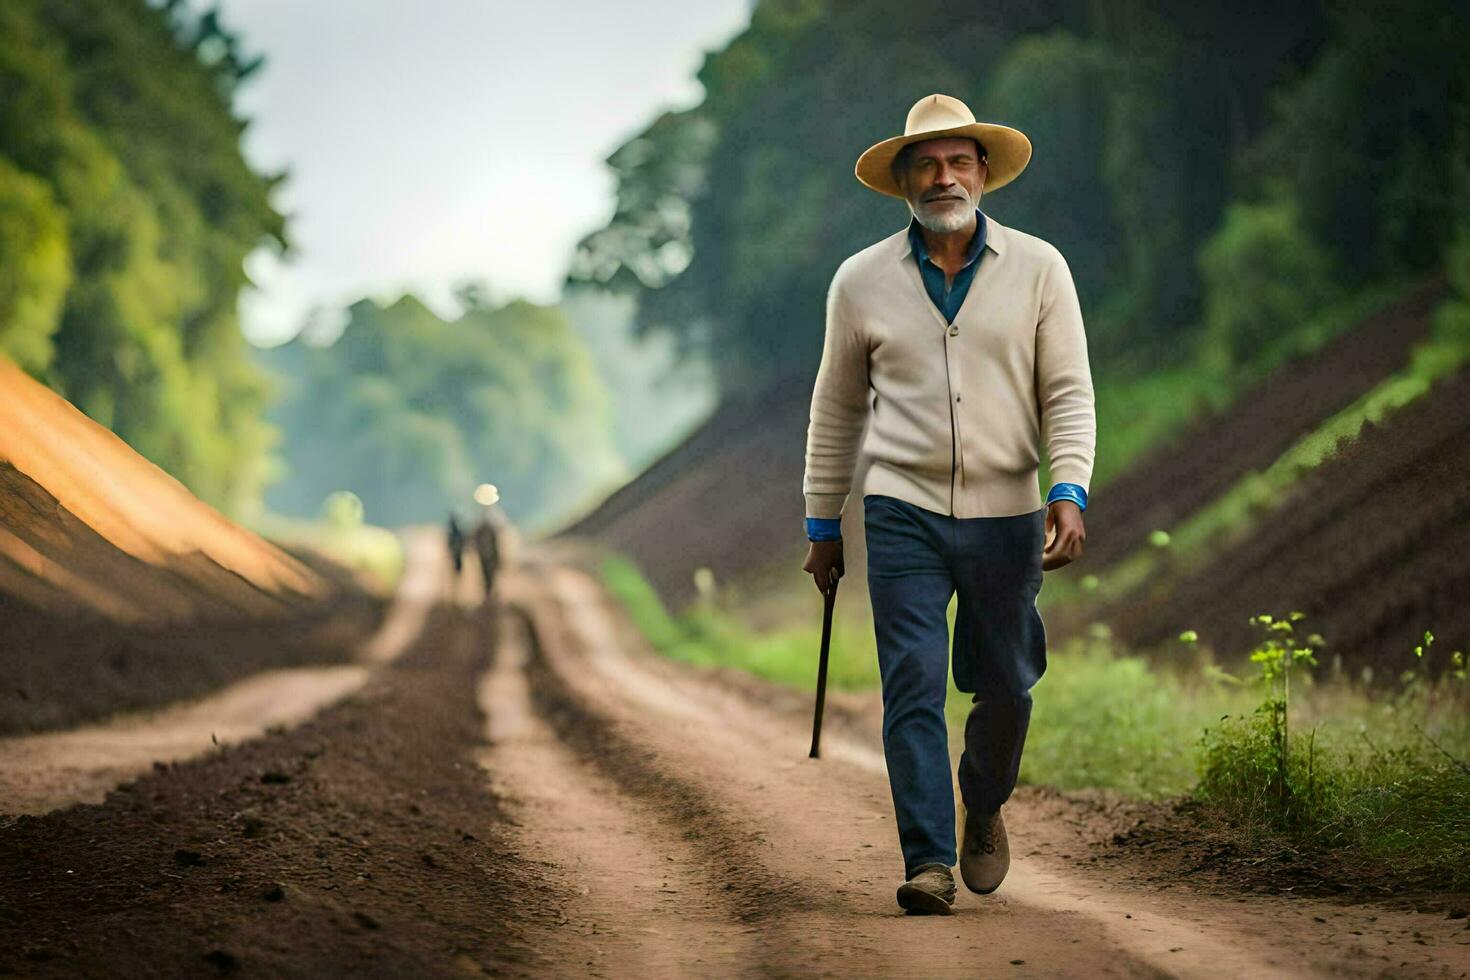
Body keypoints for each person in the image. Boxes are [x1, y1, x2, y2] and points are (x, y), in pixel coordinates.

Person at [801, 93, 1095, 916]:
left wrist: (1068, 488)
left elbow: (1068, 391)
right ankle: (927, 859)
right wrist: (824, 521)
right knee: (913, 683)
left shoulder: (1041, 269)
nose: (943, 177)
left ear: (982, 172)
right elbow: (836, 409)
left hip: (1009, 511)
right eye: (926, 164)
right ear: (903, 182)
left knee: (1006, 682)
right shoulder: (860, 282)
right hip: (902, 508)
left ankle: (986, 802)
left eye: (958, 161)